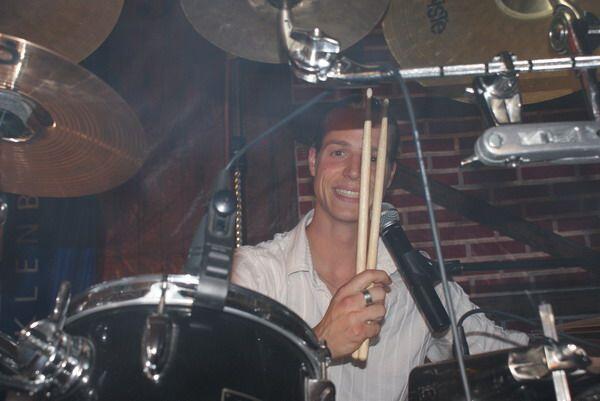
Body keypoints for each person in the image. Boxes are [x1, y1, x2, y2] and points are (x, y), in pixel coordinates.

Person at [232, 102, 528, 401]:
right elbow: (231, 386)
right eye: (339, 152)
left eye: (373, 158)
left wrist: (550, 353)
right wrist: (317, 345)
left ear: (389, 175)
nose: (354, 171)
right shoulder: (256, 272)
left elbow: (504, 357)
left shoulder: (417, 280)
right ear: (313, 161)